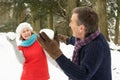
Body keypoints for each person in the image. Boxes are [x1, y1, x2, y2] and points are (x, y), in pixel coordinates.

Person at [38, 6, 112, 80]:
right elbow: (76, 41)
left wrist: (56, 53)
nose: (69, 25)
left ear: (81, 28)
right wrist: (64, 39)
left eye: (72, 22)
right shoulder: (88, 36)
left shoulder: (96, 46)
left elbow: (82, 75)